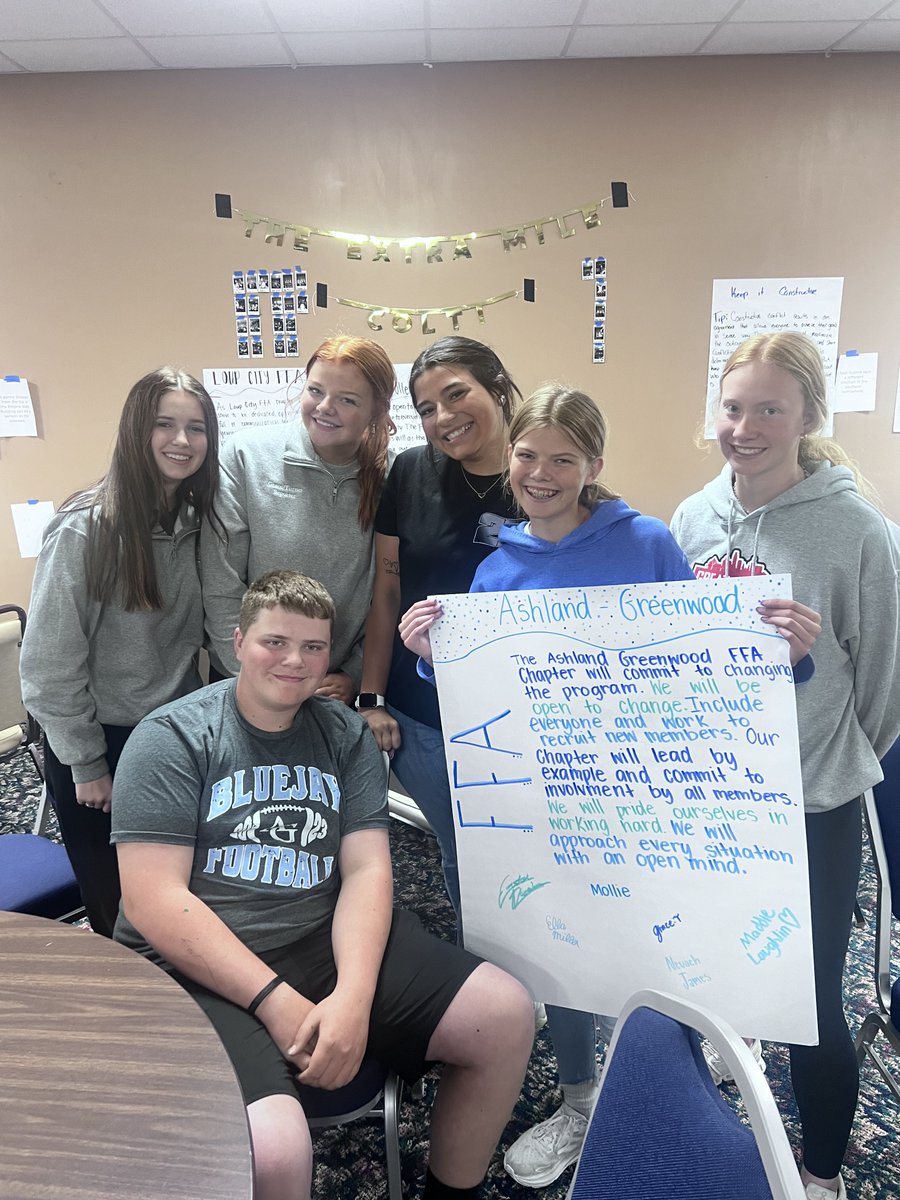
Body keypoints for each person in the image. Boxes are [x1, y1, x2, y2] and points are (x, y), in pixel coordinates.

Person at [400, 383, 821, 1189]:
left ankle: (677, 1085)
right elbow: (484, 689)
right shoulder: (494, 571)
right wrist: (430, 654)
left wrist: (782, 652)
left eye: (564, 457)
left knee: (659, 941)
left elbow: (709, 661)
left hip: (651, 791)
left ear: (594, 465)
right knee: (565, 946)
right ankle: (581, 1097)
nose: (542, 472)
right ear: (509, 462)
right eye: (528, 455)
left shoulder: (647, 543)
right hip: (546, 803)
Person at [110, 570, 534, 1200]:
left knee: (505, 1016)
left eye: (313, 648)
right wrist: (276, 1003)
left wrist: (354, 1000)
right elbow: (154, 900)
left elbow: (366, 870)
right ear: (237, 643)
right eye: (275, 642)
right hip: (197, 963)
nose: (295, 661)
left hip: (320, 933)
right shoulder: (171, 738)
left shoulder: (343, 735)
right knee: (277, 1152)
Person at [670, 332, 900, 1200]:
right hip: (711, 797)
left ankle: (824, 1172)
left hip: (811, 800)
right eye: (734, 408)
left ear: (808, 415)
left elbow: (883, 682)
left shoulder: (855, 530)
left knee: (809, 1000)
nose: (746, 426)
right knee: (717, 972)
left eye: (770, 407)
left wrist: (831, 755)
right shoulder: (691, 519)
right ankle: (734, 1100)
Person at [20, 366, 221, 937]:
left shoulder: (196, 521)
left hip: (174, 733)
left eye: (196, 427)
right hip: (99, 741)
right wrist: (87, 763)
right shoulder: (86, 527)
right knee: (118, 904)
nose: (182, 441)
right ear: (136, 430)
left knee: (181, 887)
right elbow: (48, 664)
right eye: (165, 424)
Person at [359, 336, 522, 927]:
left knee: (534, 854)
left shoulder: (541, 471)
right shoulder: (409, 472)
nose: (443, 419)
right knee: (462, 854)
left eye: (457, 395)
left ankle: (558, 983)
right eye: (427, 409)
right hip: (421, 715)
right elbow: (386, 593)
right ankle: (490, 976)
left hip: (522, 717)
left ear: (498, 386)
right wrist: (372, 699)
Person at [202, 335, 396, 703]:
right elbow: (220, 581)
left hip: (332, 688)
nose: (325, 407)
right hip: (246, 680)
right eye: (316, 390)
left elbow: (387, 595)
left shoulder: (393, 477)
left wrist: (355, 673)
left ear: (377, 409)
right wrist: (256, 673)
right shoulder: (247, 455)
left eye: (347, 400)